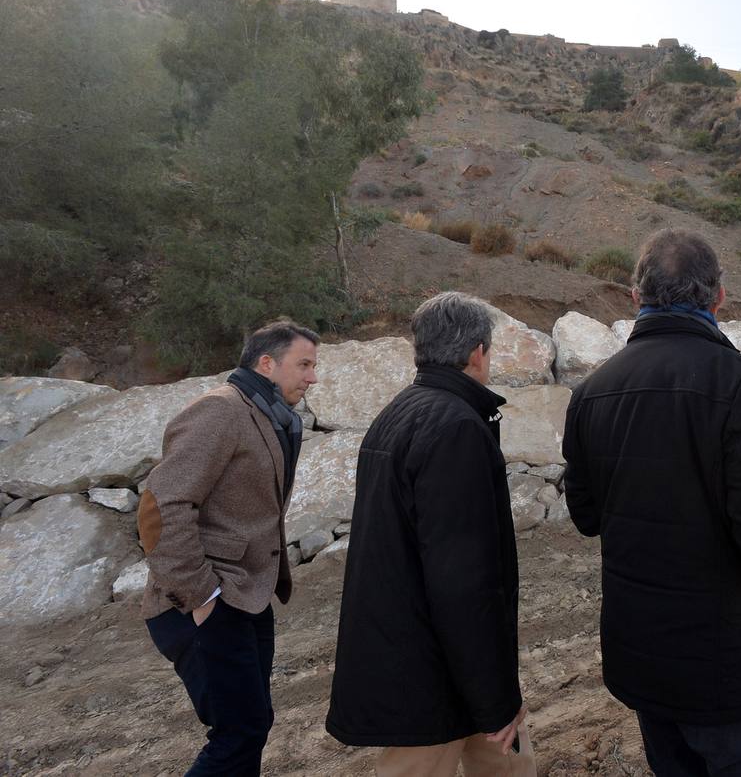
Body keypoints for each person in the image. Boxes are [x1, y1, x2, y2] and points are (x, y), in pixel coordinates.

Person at [562, 228, 741, 777]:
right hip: (730, 666)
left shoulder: (591, 391)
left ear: (636, 297)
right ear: (719, 296)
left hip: (644, 659)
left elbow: (585, 516)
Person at [326, 291, 533, 776]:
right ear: (478, 352)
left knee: (510, 764)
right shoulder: (455, 427)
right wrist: (496, 696)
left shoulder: (401, 412)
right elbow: (463, 580)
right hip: (433, 672)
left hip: (429, 657)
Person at [138, 320, 320, 776]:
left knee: (251, 726)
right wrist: (202, 596)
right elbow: (160, 506)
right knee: (237, 733)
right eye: (304, 364)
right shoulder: (220, 410)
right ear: (266, 363)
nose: (312, 377)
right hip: (203, 601)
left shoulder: (263, 412)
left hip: (248, 596)